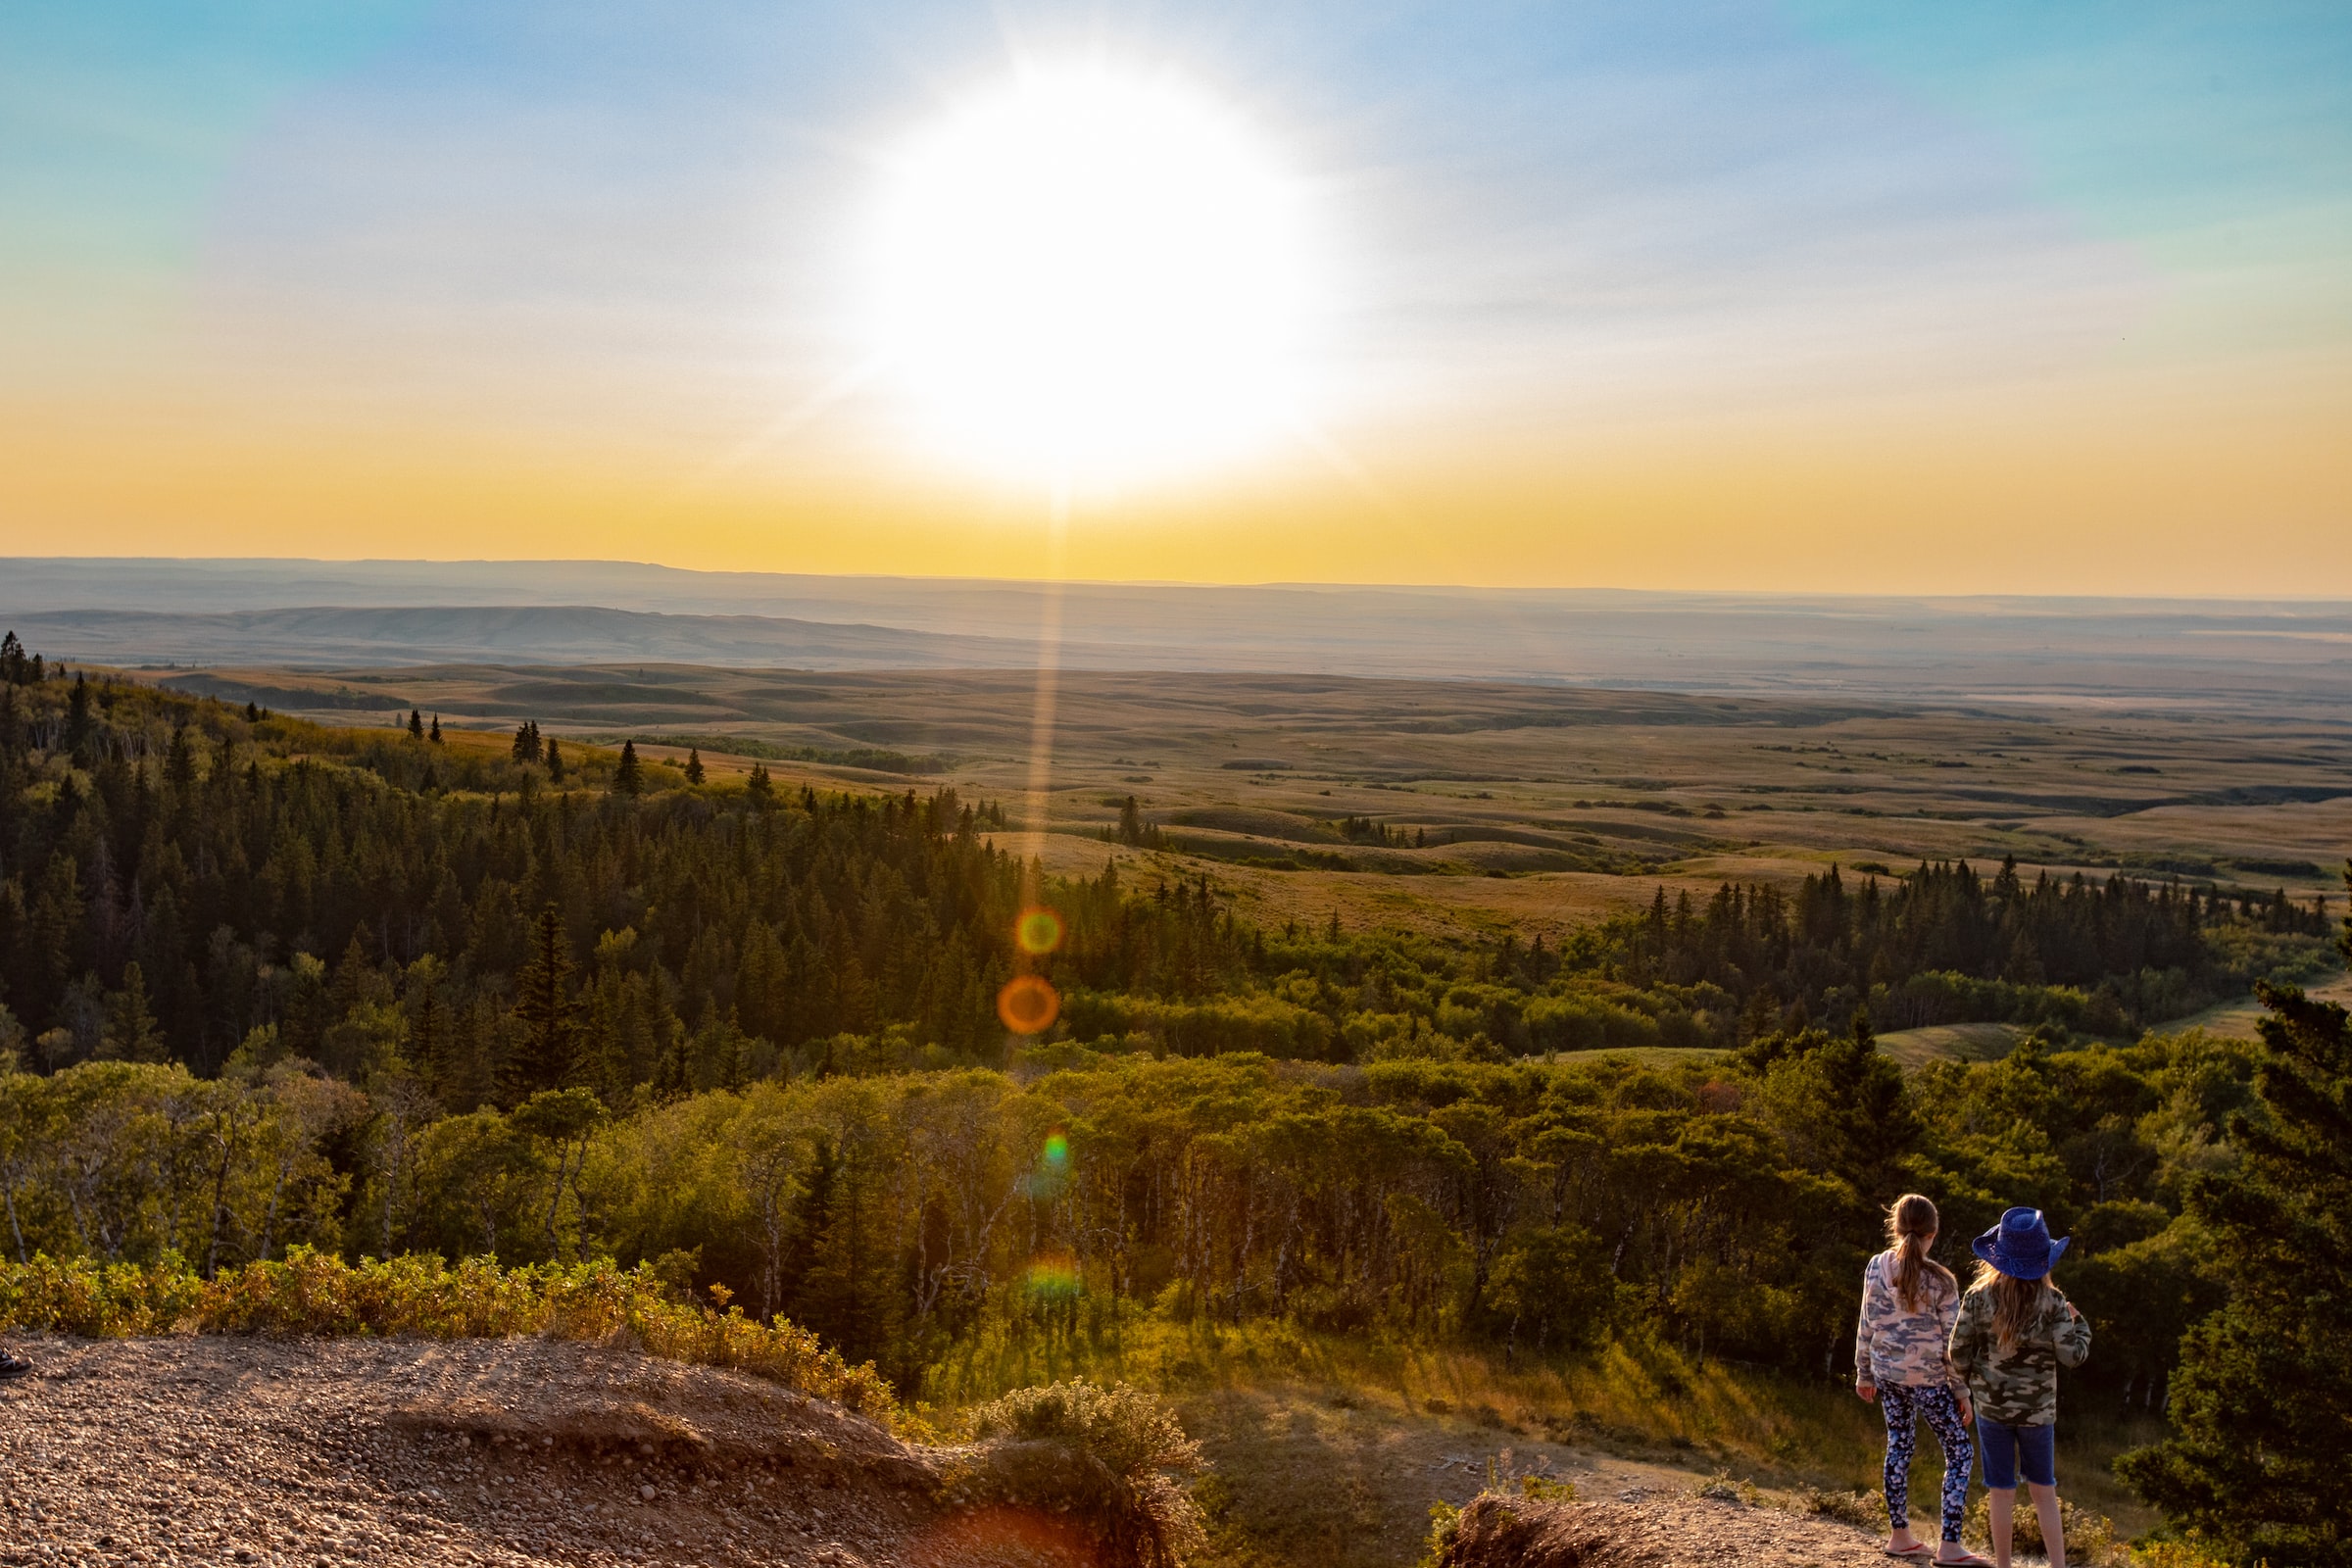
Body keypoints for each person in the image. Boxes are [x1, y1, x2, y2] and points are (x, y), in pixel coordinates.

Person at [1949, 1207, 2092, 1568]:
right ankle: (2058, 1565)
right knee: (2044, 1492)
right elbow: (2071, 1356)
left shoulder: (1978, 1296)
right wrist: (2081, 1325)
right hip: (2038, 1413)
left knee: (2001, 1492)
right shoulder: (2054, 1302)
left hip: (1992, 1408)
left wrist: (1968, 1384)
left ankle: (2003, 1566)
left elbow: (1957, 1350)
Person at [1856, 1194, 1987, 1564]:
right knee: (1960, 1452)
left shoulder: (1875, 1267)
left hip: (1887, 1373)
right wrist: (1962, 1392)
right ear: (1933, 1233)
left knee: (1899, 1445)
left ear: (1895, 1227)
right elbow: (1953, 1344)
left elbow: (1867, 1322)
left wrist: (1864, 1372)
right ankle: (1949, 1545)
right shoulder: (1942, 1281)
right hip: (1928, 1379)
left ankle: (1900, 1536)